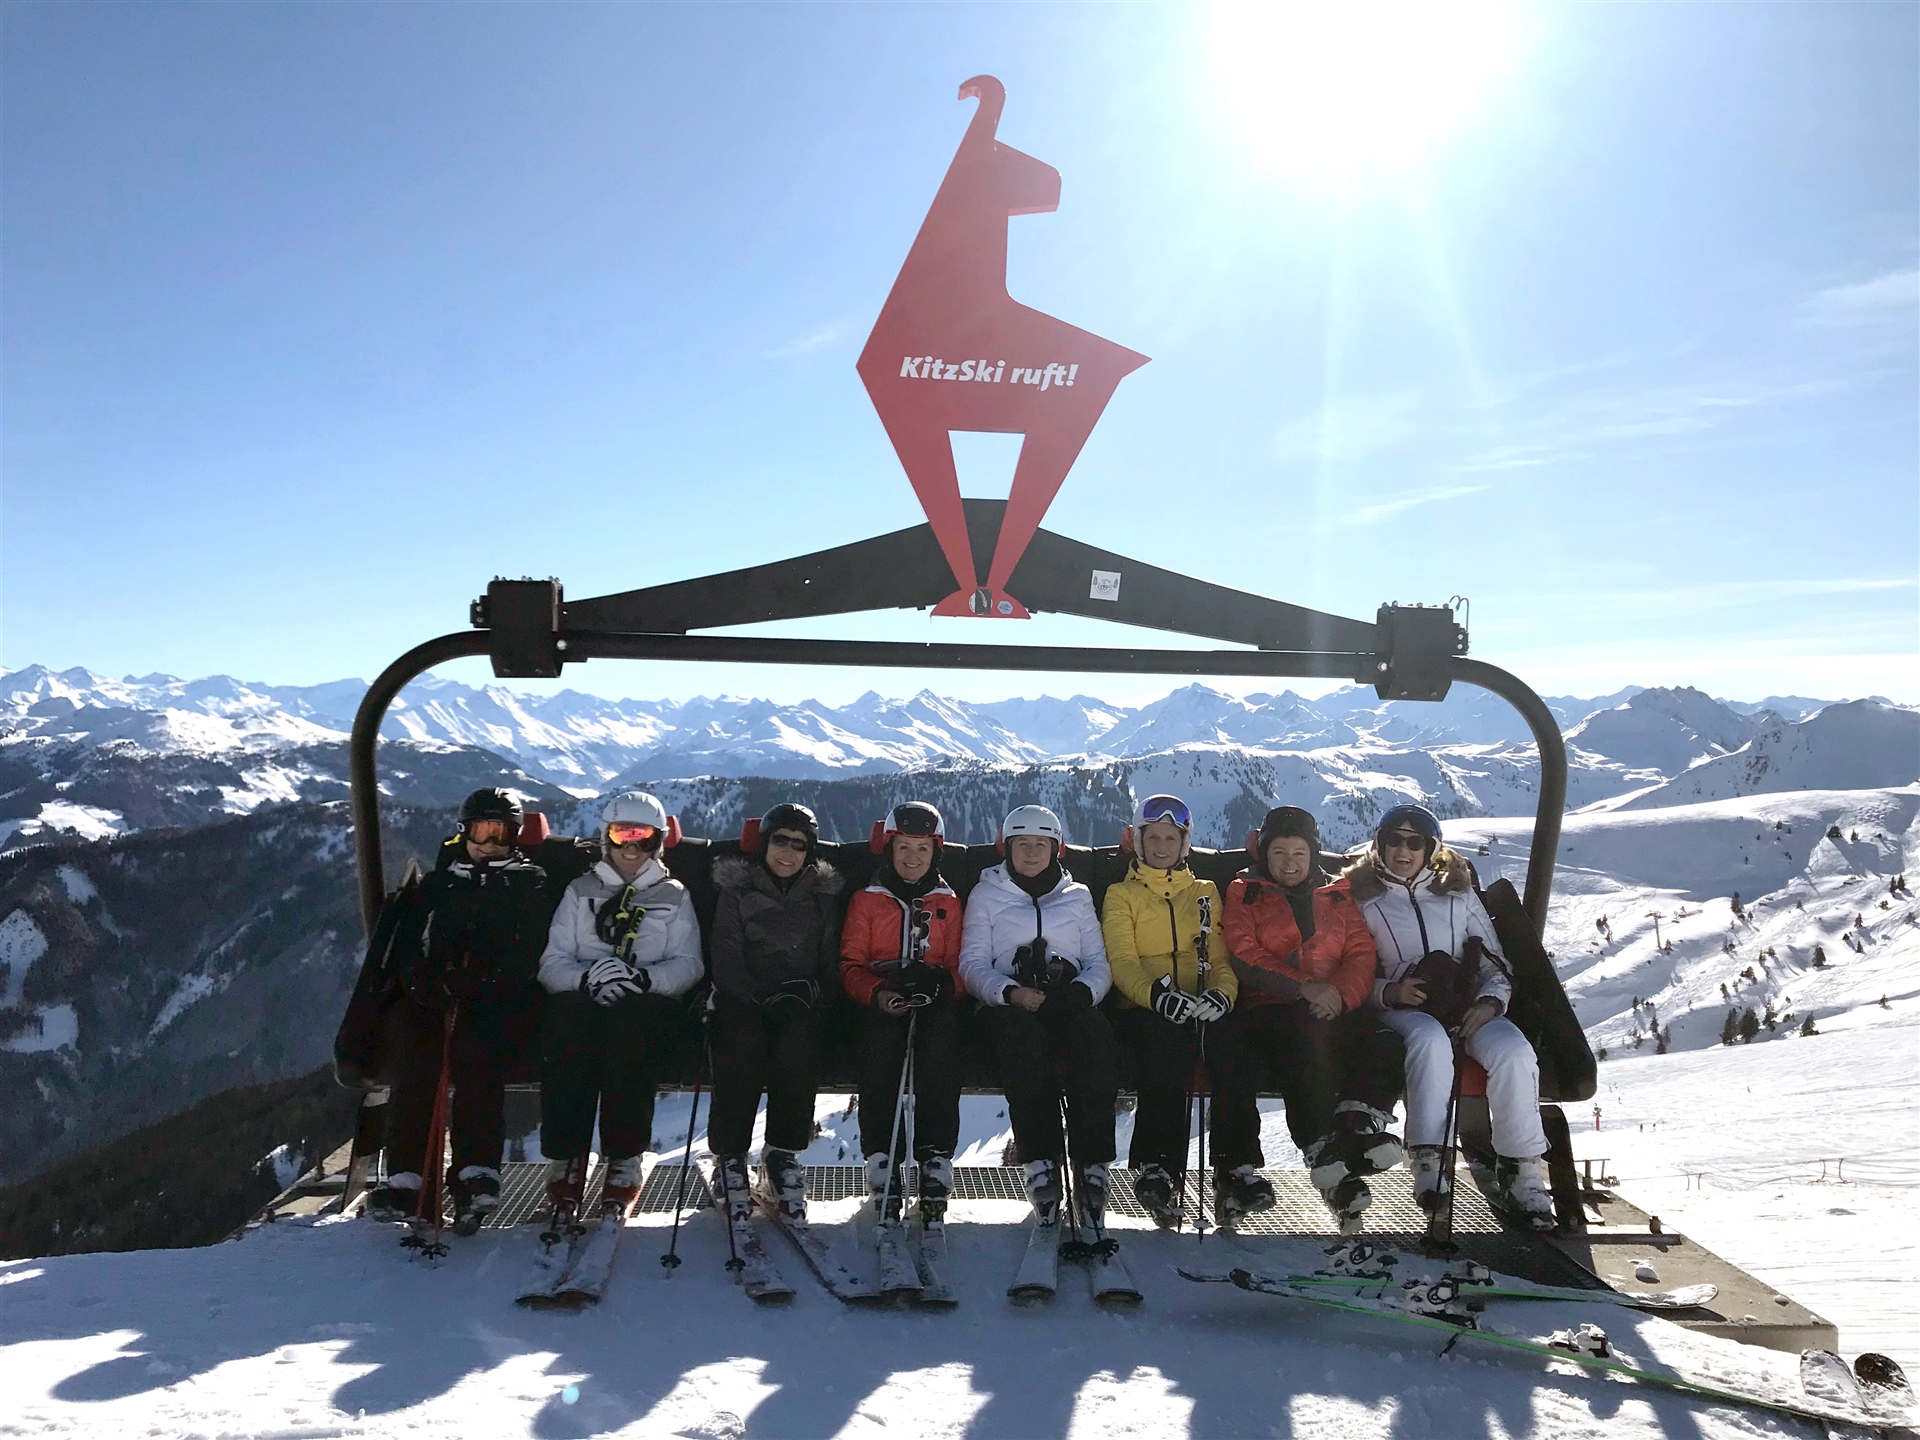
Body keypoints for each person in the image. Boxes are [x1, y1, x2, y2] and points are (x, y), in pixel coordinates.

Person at [1347, 803, 1555, 1229]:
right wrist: (1389, 992)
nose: (1403, 851)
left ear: (1430, 849)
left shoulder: (1458, 895)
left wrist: (1490, 1003)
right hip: (1403, 1009)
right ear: (1379, 845)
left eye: (1414, 842)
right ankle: (1428, 1160)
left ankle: (1522, 1169)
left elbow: (1494, 963)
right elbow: (1347, 971)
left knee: (1514, 1052)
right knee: (1429, 1039)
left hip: (1464, 1005)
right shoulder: (1361, 899)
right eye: (1393, 841)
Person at [367, 788, 551, 1234]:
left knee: (477, 1058)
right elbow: (409, 946)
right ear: (463, 834)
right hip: (440, 998)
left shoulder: (530, 885)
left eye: (500, 835)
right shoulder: (440, 885)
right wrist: (425, 979)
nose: (488, 845)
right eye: (479, 833)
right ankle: (408, 1176)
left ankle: (476, 1172)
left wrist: (487, 979)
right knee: (417, 1058)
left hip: (500, 1001)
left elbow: (534, 950)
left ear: (515, 839)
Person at [1213, 805, 1395, 1228]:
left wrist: (1339, 996)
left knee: (1383, 1038)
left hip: (1332, 1003)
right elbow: (1243, 952)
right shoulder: (1246, 892)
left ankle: (1355, 1129)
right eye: (1279, 853)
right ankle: (1321, 1149)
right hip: (1271, 1005)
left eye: (1299, 852)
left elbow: (1360, 952)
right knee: (1304, 1037)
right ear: (1264, 855)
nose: (1289, 862)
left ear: (1313, 855)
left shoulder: (1336, 893)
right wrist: (1303, 987)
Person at [536, 791, 704, 1225]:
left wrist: (644, 981)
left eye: (643, 839)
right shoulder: (581, 891)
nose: (632, 849)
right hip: (586, 1002)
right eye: (622, 836)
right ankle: (567, 1156)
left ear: (659, 843)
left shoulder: (673, 895)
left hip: (647, 1007)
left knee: (632, 1029)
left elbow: (689, 963)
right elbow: (552, 962)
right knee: (569, 1024)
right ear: (606, 839)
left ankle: (624, 1156)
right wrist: (587, 979)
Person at [958, 804, 1116, 1228]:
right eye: (1022, 844)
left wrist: (1081, 994)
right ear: (1006, 848)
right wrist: (1009, 992)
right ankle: (1040, 1162)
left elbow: (1099, 964)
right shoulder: (986, 893)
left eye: (1041, 844)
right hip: (1007, 1004)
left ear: (1057, 849)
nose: (1031, 853)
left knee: (1095, 1037)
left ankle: (1092, 1163)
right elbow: (972, 964)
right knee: (1023, 1043)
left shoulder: (1078, 896)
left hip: (1066, 1001)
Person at [1100, 794, 1235, 1228]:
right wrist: (1157, 997)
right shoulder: (1121, 895)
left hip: (1199, 1001)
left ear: (1184, 843)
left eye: (1170, 837)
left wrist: (1221, 995)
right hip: (1142, 1006)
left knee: (1234, 1048)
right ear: (1138, 842)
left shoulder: (1204, 894)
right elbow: (1122, 962)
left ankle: (1234, 1170)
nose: (1162, 846)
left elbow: (1219, 961)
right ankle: (1158, 1168)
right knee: (1168, 1041)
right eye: (1153, 837)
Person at [708, 802, 845, 1223]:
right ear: (764, 844)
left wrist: (813, 992)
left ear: (810, 852)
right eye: (779, 841)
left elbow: (830, 960)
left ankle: (782, 1152)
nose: (788, 852)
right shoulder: (738, 892)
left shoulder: (822, 899)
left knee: (799, 1044)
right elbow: (725, 955)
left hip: (799, 1001)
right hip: (743, 999)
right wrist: (755, 994)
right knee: (740, 1043)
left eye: (799, 845)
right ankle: (730, 1156)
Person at [840, 802, 965, 1223]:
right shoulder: (867, 901)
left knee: (941, 1047)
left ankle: (935, 1157)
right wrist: (876, 993)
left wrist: (941, 986)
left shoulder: (947, 902)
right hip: (882, 999)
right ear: (889, 849)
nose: (913, 858)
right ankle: (883, 1157)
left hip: (932, 1002)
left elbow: (960, 965)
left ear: (936, 853)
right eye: (904, 848)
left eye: (923, 850)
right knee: (879, 1047)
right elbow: (850, 965)